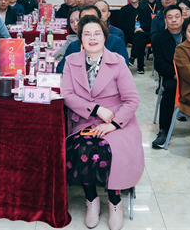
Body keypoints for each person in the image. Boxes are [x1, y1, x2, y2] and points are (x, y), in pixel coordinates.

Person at [61, 14, 144, 230]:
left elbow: (131, 99)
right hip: (85, 119)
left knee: (109, 150)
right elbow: (67, 94)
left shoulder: (117, 62)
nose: (92, 38)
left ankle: (115, 202)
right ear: (80, 37)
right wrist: (96, 109)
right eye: (87, 34)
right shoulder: (71, 61)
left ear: (105, 37)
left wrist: (113, 125)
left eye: (97, 33)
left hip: (117, 121)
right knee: (82, 148)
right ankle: (91, 199)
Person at [149, 5, 186, 148]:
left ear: (182, 19)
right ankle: (164, 130)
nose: (174, 20)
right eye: (170, 17)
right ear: (165, 20)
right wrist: (175, 75)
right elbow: (159, 64)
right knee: (170, 89)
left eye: (177, 16)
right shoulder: (159, 38)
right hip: (171, 76)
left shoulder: (189, 34)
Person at [57, 6, 130, 73]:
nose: (89, 22)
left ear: (100, 20)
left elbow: (123, 68)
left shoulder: (115, 42)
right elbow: (61, 68)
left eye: (93, 19)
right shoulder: (74, 46)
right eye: (84, 20)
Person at [132, 0, 159, 74]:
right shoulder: (141, 4)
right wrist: (142, 28)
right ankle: (140, 66)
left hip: (157, 32)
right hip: (146, 31)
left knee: (141, 39)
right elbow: (140, 19)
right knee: (140, 38)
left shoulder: (160, 3)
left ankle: (133, 58)